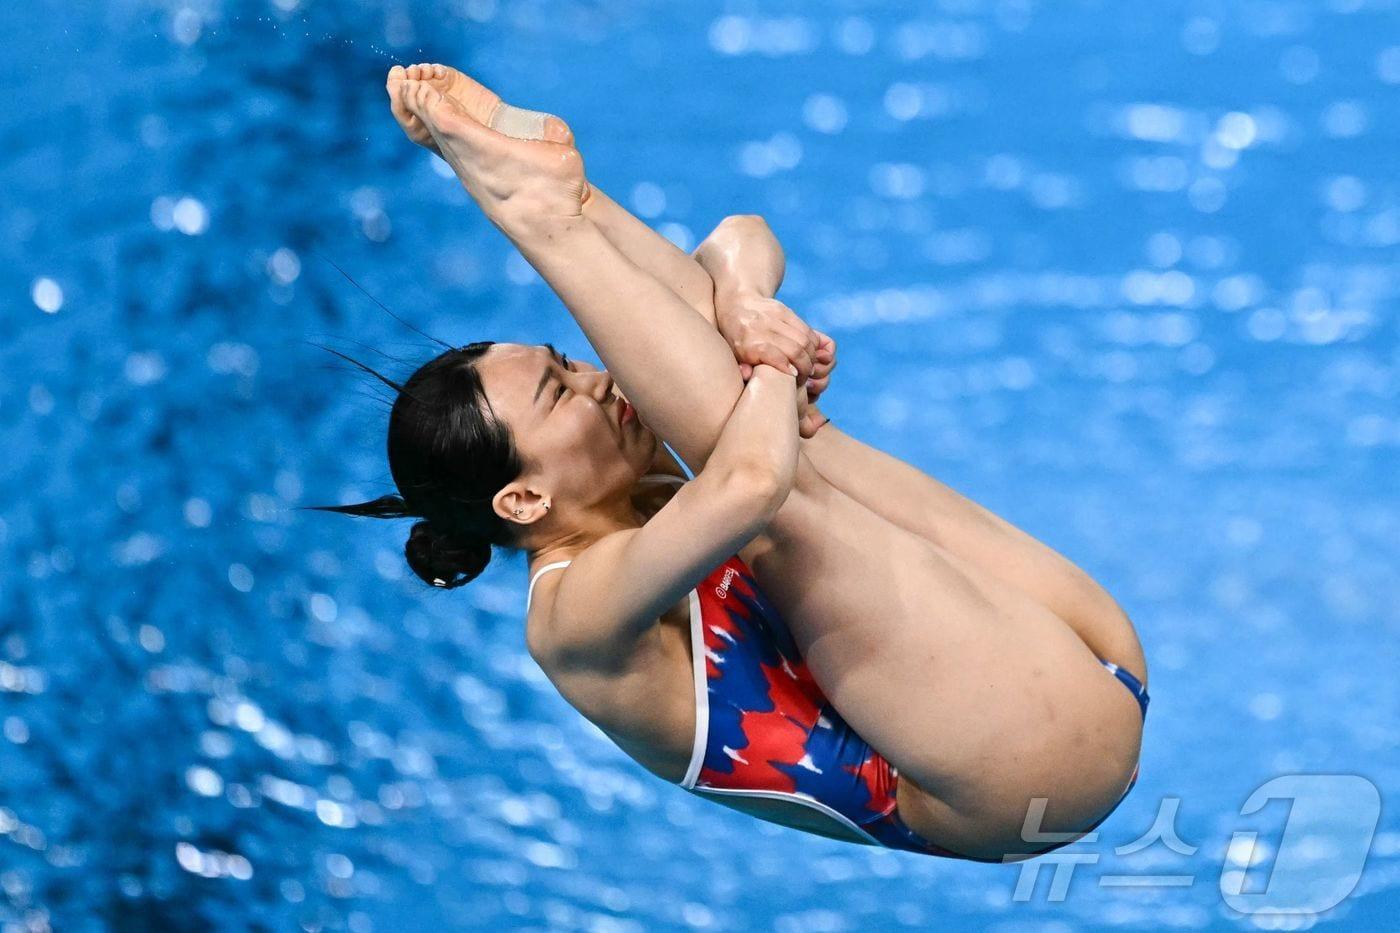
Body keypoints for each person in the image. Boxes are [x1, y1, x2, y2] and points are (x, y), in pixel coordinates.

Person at [312, 63, 1150, 862]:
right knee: (774, 482)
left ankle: (569, 200)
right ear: (524, 497)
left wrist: (749, 311)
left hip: (1080, 646)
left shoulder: (645, 475)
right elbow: (749, 485)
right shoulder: (570, 618)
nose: (601, 380)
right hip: (1022, 780)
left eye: (569, 362)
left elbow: (742, 235)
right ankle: (541, 216)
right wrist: (776, 367)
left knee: (770, 419)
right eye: (561, 394)